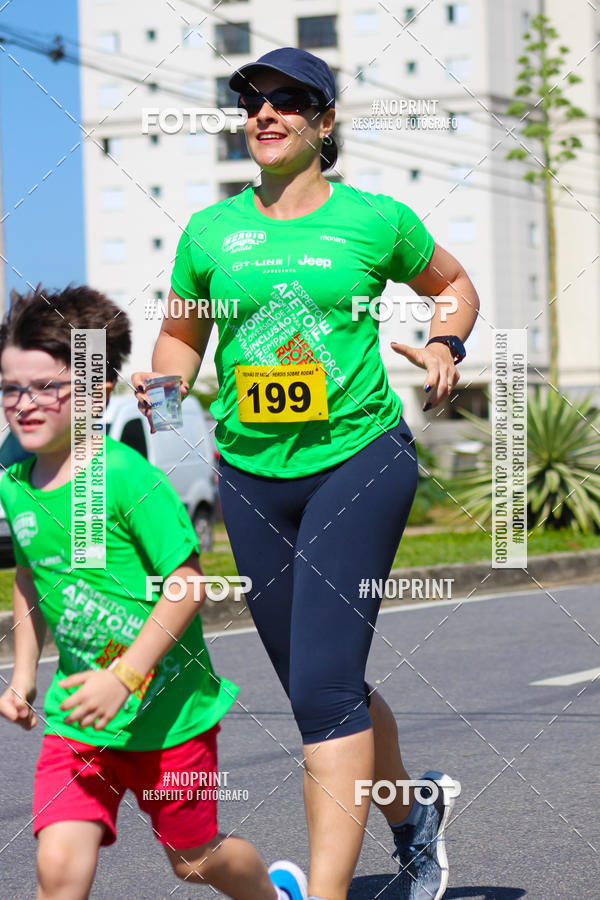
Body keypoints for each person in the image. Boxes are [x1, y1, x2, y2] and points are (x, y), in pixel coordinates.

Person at [133, 47, 480, 900]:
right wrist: (168, 414)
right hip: (252, 478)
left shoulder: (374, 219)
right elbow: (180, 338)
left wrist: (445, 342)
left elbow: (455, 284)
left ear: (325, 124)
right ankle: (415, 814)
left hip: (359, 461)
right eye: (251, 99)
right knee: (325, 687)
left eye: (290, 100)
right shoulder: (211, 233)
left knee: (324, 691)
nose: (266, 112)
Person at [0, 285, 307, 900]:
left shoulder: (127, 478)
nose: (24, 405)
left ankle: (278, 893)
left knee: (194, 862)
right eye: (10, 389)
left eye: (46, 388)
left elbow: (186, 586)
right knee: (57, 869)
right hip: (80, 716)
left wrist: (127, 676)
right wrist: (24, 671)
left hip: (169, 717)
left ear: (92, 389)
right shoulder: (13, 475)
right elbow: (33, 573)